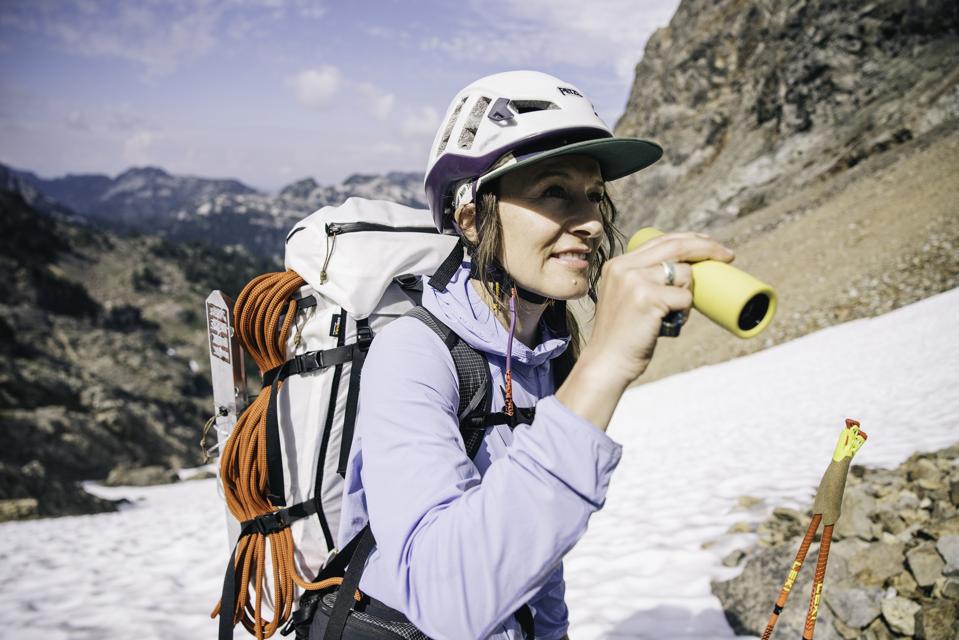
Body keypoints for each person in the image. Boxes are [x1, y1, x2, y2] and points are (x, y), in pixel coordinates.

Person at [329, 70, 735, 640]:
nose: (592, 221)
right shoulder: (412, 353)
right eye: (553, 192)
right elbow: (446, 602)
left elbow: (536, 564)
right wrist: (607, 362)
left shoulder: (544, 352)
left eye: (594, 195)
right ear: (471, 217)